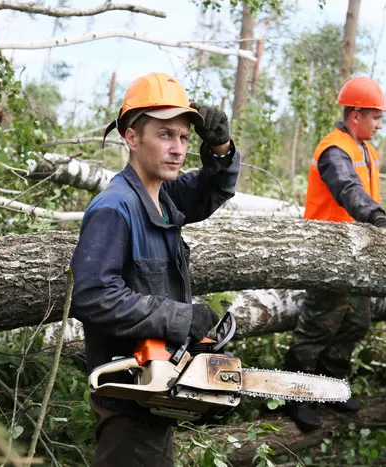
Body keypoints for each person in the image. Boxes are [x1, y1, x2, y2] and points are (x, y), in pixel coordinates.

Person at [69, 72, 240, 467]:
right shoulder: (115, 207)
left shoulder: (162, 197)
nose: (178, 148)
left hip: (155, 392)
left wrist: (219, 147)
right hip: (128, 398)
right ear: (131, 137)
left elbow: (213, 190)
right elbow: (92, 296)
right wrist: (183, 317)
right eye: (165, 135)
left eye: (183, 137)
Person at [283, 76, 386, 431]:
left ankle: (331, 388)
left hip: (356, 251)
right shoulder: (335, 150)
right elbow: (347, 188)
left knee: (355, 323)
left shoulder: (367, 149)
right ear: (356, 114)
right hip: (327, 250)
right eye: (376, 117)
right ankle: (296, 395)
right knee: (317, 326)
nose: (379, 124)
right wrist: (376, 217)